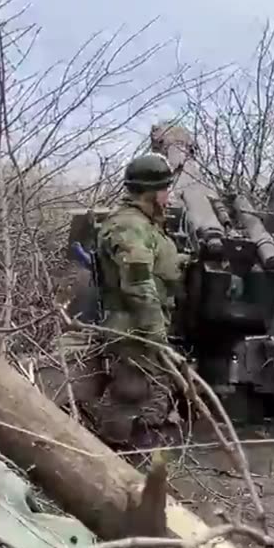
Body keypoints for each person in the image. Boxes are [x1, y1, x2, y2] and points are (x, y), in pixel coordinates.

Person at [89, 152, 183, 447]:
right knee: (131, 393)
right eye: (166, 189)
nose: (169, 196)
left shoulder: (143, 224)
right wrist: (156, 335)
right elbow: (139, 283)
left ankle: (133, 452)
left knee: (148, 391)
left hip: (138, 325)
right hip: (133, 327)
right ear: (152, 192)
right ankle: (110, 456)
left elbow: (152, 264)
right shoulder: (130, 226)